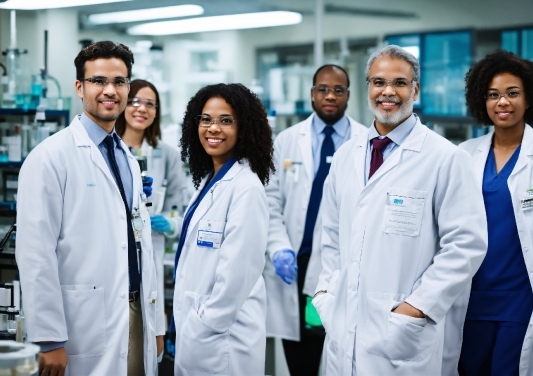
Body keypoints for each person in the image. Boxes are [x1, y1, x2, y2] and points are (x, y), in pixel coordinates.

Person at [311, 45, 488, 375]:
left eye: (399, 83)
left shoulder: (445, 159)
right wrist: (326, 292)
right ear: (368, 88)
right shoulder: (347, 156)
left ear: (415, 90)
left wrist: (416, 308)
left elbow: (466, 245)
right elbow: (331, 236)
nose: (387, 92)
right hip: (344, 324)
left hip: (404, 334)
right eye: (378, 82)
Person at [15, 41, 163, 376]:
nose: (110, 90)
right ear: (80, 87)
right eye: (99, 81)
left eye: (120, 82)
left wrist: (156, 324)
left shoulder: (126, 156)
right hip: (83, 321)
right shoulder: (50, 157)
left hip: (137, 311)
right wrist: (49, 339)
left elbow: (141, 244)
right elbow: (36, 253)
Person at [264, 64, 366, 375]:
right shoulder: (287, 140)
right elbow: (270, 202)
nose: (330, 96)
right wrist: (279, 248)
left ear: (349, 95)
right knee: (303, 359)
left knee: (344, 354)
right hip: (295, 269)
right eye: (323, 89)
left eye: (338, 90)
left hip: (343, 269)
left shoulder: (366, 142)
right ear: (312, 94)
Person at [457, 50, 533, 376]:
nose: (503, 103)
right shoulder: (464, 155)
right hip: (471, 297)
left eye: (513, 93)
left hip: (523, 297)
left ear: (529, 99)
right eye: (493, 95)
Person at [172, 83, 274, 375]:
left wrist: (204, 325)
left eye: (226, 121)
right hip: (202, 336)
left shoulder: (246, 188)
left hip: (223, 340)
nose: (213, 128)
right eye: (206, 119)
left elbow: (236, 277)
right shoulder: (210, 179)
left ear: (244, 128)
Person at [115, 79, 186, 357]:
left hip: (151, 254)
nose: (141, 108)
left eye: (150, 104)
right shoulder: (107, 149)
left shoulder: (167, 156)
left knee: (149, 349)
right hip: (113, 254)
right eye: (134, 101)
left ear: (157, 112)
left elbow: (182, 209)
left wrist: (169, 224)